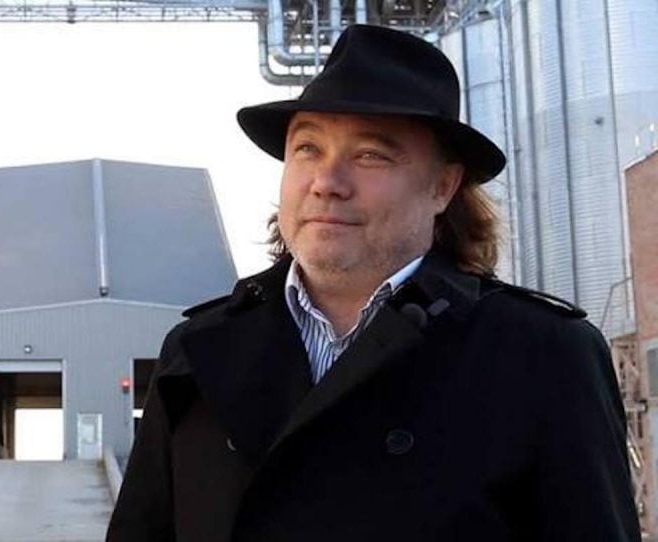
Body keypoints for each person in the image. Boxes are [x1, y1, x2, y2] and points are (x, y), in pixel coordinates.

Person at [106, 24, 640, 541]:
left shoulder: (542, 354)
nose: (327, 183)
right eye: (308, 149)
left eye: (370, 155)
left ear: (442, 187)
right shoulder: (195, 352)